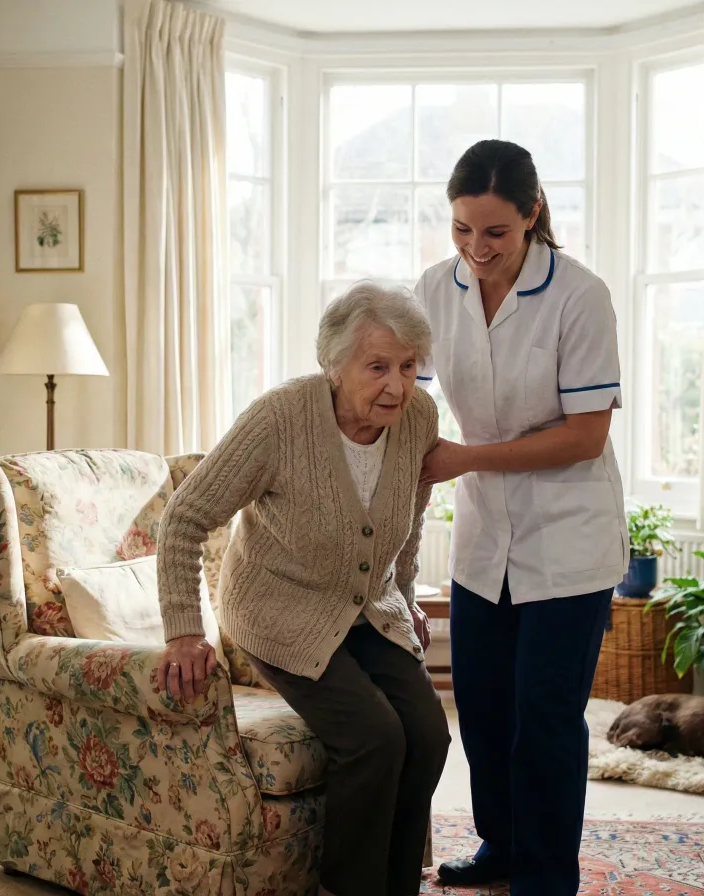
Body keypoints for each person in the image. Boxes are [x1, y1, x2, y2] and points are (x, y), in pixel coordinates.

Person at [155, 282, 450, 896]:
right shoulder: (279, 419)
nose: (397, 385)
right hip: (277, 608)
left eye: (407, 366)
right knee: (374, 736)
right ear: (334, 365)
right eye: (377, 367)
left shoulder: (419, 417)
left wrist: (406, 594)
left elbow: (409, 521)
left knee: (428, 733)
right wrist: (184, 629)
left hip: (368, 607)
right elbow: (183, 519)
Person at [414, 139, 627, 896]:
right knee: (484, 711)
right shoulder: (436, 289)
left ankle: (544, 877)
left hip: (567, 542)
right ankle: (502, 847)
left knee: (544, 719)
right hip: (483, 544)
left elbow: (585, 435)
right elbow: (410, 387)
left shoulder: (579, 294)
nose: (476, 249)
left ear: (533, 215)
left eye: (495, 232)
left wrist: (466, 458)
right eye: (462, 229)